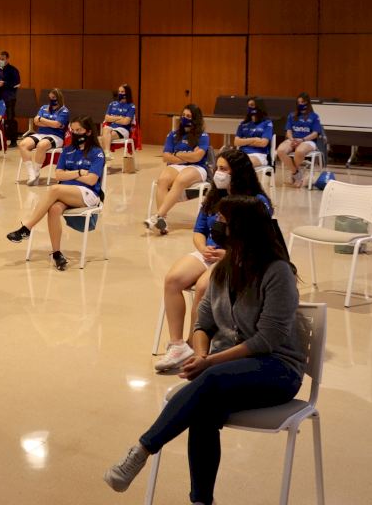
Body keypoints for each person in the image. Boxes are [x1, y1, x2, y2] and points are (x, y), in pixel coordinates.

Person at [104, 196, 304, 504]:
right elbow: (203, 323)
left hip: (277, 369)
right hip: (228, 370)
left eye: (222, 221)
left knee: (209, 381)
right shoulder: (224, 269)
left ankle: (141, 450)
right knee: (203, 411)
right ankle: (201, 501)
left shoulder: (277, 272)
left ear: (241, 228)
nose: (216, 226)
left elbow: (268, 340)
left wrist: (210, 363)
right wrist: (200, 356)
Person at [154, 149, 272, 373]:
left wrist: (228, 254)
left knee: (203, 287)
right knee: (173, 280)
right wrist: (202, 248)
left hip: (238, 256)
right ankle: (177, 345)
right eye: (217, 168)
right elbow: (199, 230)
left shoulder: (257, 201)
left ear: (238, 172)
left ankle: (194, 347)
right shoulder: (214, 195)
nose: (218, 173)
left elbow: (261, 241)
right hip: (209, 252)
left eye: (224, 169)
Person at [6, 116, 105, 271]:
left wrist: (68, 174)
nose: (75, 133)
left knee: (54, 189)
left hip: (88, 194)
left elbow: (92, 180)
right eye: (73, 130)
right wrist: (79, 172)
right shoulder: (67, 150)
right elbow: (58, 175)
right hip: (66, 192)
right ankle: (57, 253)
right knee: (53, 209)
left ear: (88, 132)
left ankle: (27, 228)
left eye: (79, 130)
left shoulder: (96, 152)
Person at [146, 104, 211, 236]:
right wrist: (187, 156)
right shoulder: (173, 134)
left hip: (198, 167)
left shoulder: (202, 136)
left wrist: (177, 154)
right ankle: (163, 222)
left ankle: (158, 216)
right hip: (178, 165)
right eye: (183, 115)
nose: (184, 118)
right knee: (162, 180)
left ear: (195, 119)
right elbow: (166, 157)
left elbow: (198, 157)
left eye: (188, 116)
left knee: (181, 180)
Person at [18, 88, 70, 186]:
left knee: (41, 145)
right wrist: (50, 123)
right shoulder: (44, 107)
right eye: (50, 97)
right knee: (23, 144)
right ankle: (31, 174)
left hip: (56, 136)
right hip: (41, 134)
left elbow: (57, 124)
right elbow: (36, 122)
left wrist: (42, 119)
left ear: (59, 98)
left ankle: (36, 172)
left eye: (53, 98)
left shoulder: (64, 110)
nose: (51, 100)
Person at [277, 92, 322, 187]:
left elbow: (315, 134)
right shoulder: (292, 115)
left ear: (307, 103)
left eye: (303, 102)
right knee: (280, 150)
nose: (300, 104)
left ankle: (295, 174)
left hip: (308, 140)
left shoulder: (314, 116)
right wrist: (291, 139)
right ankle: (296, 173)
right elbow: (288, 130)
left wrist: (302, 140)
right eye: (299, 102)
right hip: (293, 139)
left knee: (299, 151)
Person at [234, 97, 274, 169]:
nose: (250, 107)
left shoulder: (267, 123)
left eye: (252, 105)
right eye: (249, 105)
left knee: (243, 164)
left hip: (259, 154)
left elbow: (263, 143)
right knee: (226, 162)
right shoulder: (243, 123)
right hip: (242, 153)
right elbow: (236, 142)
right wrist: (254, 139)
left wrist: (244, 141)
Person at [0, 51, 21, 147]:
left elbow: (17, 84)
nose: (0, 60)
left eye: (3, 59)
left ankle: (13, 141)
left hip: (9, 98)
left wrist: (5, 84)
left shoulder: (13, 70)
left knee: (10, 119)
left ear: (7, 59)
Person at [100, 84, 136, 158]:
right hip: (110, 128)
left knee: (101, 139)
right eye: (119, 91)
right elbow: (106, 118)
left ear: (127, 93)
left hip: (123, 130)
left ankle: (105, 155)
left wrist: (113, 118)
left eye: (122, 92)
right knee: (106, 129)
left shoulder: (131, 106)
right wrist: (119, 117)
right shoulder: (112, 104)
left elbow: (126, 122)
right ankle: (107, 153)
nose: (120, 93)